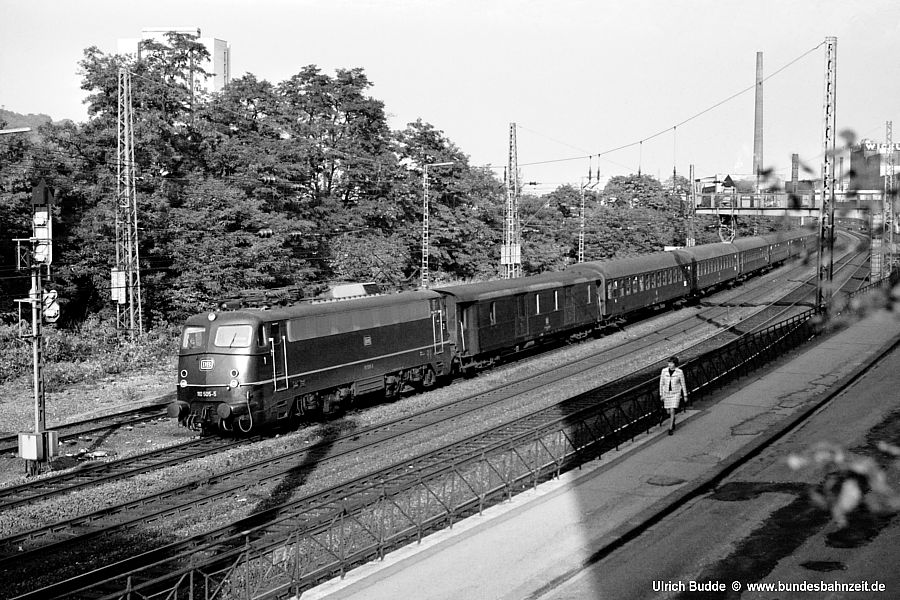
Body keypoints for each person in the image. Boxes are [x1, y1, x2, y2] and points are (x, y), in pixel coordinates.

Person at [659, 356, 688, 435]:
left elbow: (683, 383)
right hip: (667, 393)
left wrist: (685, 395)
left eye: (671, 363)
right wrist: (661, 394)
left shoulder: (679, 372)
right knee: (668, 411)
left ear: (675, 364)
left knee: (672, 410)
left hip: (675, 393)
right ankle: (673, 419)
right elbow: (661, 383)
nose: (669, 365)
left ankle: (670, 428)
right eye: (669, 363)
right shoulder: (664, 371)